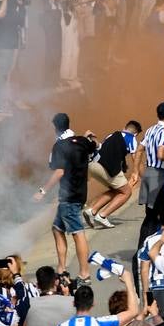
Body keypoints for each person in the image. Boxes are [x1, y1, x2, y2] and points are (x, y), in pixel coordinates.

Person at [33, 113, 98, 283]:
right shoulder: (82, 142)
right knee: (57, 228)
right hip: (79, 193)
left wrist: (42, 191)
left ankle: (85, 273)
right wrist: (88, 138)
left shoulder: (59, 146)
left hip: (69, 197)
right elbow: (94, 146)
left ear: (55, 127)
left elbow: (59, 171)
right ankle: (61, 269)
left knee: (77, 233)